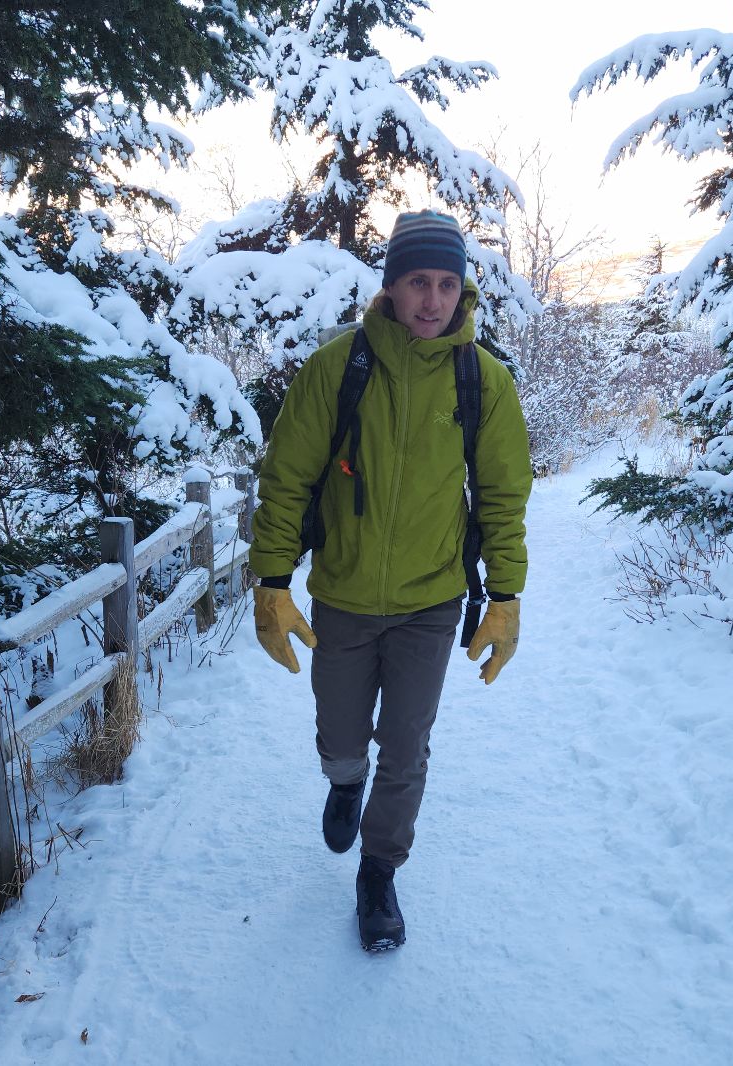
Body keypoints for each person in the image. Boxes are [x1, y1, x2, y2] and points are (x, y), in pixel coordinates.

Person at [248, 209, 532, 952]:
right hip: (341, 596)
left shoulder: (483, 382)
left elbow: (503, 497)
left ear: (462, 290)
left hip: (431, 603)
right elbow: (285, 480)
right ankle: (345, 783)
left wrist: (505, 595)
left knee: (406, 747)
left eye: (446, 284)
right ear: (391, 286)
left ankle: (379, 872)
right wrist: (271, 580)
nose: (432, 300)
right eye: (417, 283)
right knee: (343, 738)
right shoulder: (340, 367)